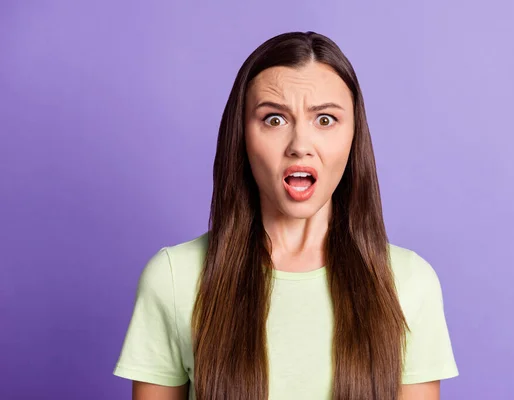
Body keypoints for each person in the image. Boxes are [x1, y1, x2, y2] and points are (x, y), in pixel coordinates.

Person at [113, 31, 459, 400]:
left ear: (354, 137)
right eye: (274, 120)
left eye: (325, 120)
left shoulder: (409, 283)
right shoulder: (174, 278)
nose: (300, 146)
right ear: (241, 136)